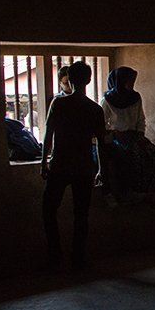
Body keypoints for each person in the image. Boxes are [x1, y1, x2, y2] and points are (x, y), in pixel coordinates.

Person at [40, 61, 105, 270]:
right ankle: (78, 257)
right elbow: (101, 144)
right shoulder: (94, 109)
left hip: (60, 164)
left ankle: (54, 255)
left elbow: (48, 134)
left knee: (48, 210)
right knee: (81, 214)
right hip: (83, 166)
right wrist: (101, 169)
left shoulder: (59, 104)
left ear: (70, 78)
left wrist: (43, 162)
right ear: (88, 80)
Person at [100, 66, 155, 206]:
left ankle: (151, 192)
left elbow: (141, 119)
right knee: (132, 156)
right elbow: (101, 124)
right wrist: (114, 134)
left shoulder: (135, 98)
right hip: (117, 138)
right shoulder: (108, 100)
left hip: (134, 136)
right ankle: (132, 193)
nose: (132, 83)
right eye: (129, 80)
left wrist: (140, 134)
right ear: (121, 81)